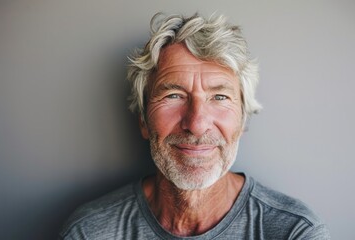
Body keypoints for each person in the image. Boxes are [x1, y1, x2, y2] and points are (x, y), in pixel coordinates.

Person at [59, 13, 331, 239]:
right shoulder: (89, 232)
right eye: (173, 96)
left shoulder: (296, 233)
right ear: (143, 119)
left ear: (243, 120)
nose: (197, 124)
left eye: (220, 97)